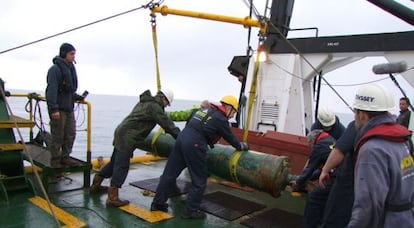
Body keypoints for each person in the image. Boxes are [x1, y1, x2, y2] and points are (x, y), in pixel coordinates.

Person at [150, 95, 249, 219]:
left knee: (169, 174)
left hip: (181, 139)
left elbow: (192, 122)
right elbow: (230, 138)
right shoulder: (221, 119)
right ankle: (191, 211)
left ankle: (158, 203)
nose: (233, 115)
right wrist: (241, 146)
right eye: (233, 112)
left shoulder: (203, 111)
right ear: (228, 108)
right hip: (195, 144)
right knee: (199, 180)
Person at [89, 89, 181, 207]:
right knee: (121, 166)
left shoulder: (145, 102)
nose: (166, 106)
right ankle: (112, 198)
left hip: (121, 132)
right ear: (164, 99)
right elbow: (168, 125)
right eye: (167, 104)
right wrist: (181, 138)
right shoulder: (155, 107)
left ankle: (95, 185)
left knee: (114, 163)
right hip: (128, 137)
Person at [347, 83, 414, 227]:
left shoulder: (372, 150)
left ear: (362, 114)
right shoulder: (403, 141)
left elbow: (367, 206)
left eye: (355, 111)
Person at [45, 43, 85, 168]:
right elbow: (51, 90)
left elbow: (68, 90)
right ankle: (55, 162)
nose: (73, 57)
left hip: (69, 108)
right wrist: (54, 109)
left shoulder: (70, 69)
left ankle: (65, 157)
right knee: (58, 136)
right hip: (59, 109)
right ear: (64, 54)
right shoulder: (55, 70)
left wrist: (77, 97)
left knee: (70, 134)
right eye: (71, 54)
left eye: (74, 54)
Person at [319, 120, 357, 228]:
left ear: (361, 113)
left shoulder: (356, 126)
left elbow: (339, 150)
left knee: (334, 214)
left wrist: (325, 170)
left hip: (348, 182)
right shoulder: (396, 135)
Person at [294, 129, 335, 228]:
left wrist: (298, 182)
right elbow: (320, 169)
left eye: (310, 144)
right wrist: (308, 179)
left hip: (337, 176)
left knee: (314, 198)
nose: (310, 146)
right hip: (338, 174)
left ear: (313, 140)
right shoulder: (330, 139)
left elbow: (310, 168)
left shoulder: (318, 147)